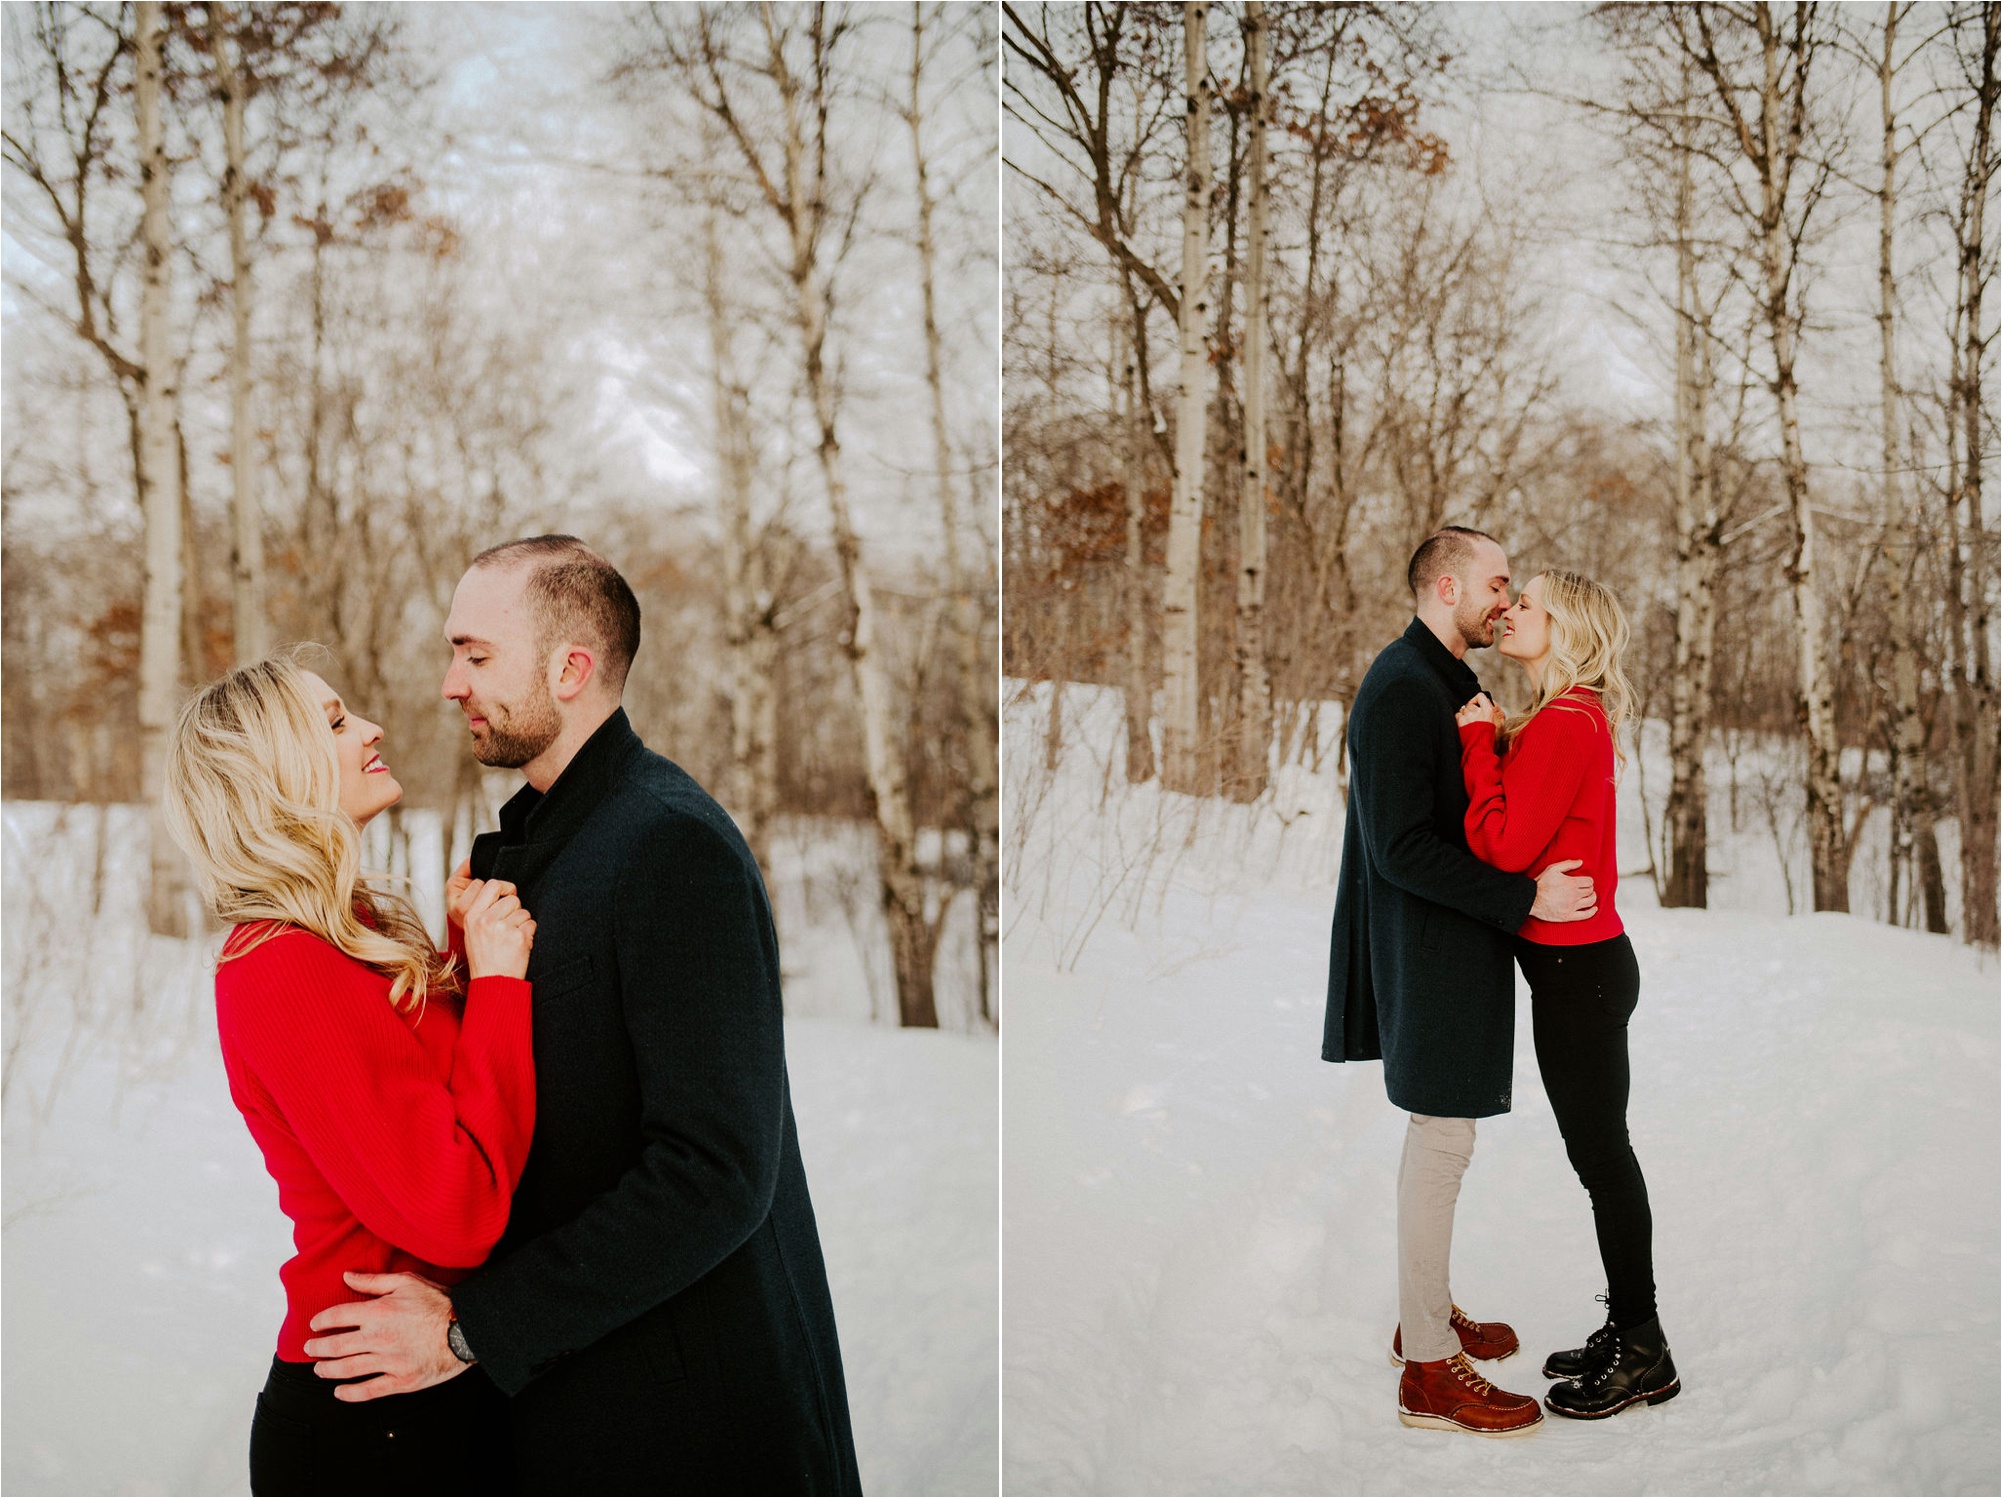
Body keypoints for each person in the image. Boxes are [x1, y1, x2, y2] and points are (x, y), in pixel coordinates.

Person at [301, 536, 862, 1496]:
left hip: (691, 1423)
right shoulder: (545, 846)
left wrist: (473, 1330)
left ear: (570, 669)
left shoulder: (668, 846)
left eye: (476, 655)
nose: (448, 683)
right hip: (582, 1403)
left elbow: (715, 1173)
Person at [161, 654, 540, 1496]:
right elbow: (458, 1211)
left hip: (429, 1381)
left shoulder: (345, 935)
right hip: (374, 1419)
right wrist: (502, 986)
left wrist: (466, 959)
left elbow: (421, 1088)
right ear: (275, 774)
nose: (370, 728)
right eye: (334, 723)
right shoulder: (283, 966)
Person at [1323, 526, 1598, 1439]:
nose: (1507, 599)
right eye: (1497, 582)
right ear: (1446, 588)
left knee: (1446, 1139)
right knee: (1442, 1144)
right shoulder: (1402, 691)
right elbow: (1397, 847)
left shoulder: (1445, 683)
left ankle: (1425, 1315)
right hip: (1431, 949)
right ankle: (1430, 1374)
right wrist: (1524, 896)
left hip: (1453, 942)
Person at [1454, 569, 1680, 1419]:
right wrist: (1501, 736)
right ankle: (1630, 1327)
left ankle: (1644, 1348)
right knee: (1601, 1155)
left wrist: (1478, 745)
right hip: (1582, 968)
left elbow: (1506, 847)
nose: (1509, 613)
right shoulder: (1568, 716)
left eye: (1526, 605)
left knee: (1603, 1160)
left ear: (1568, 628)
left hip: (1577, 973)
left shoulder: (1566, 721)